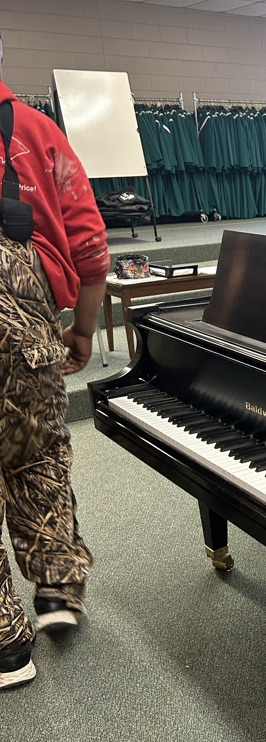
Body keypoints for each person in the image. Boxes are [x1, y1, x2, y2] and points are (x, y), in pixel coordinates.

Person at [0, 65, 109, 690]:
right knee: (37, 451)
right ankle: (57, 591)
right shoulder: (39, 132)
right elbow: (90, 245)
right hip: (32, 332)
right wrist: (85, 331)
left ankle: (7, 649)